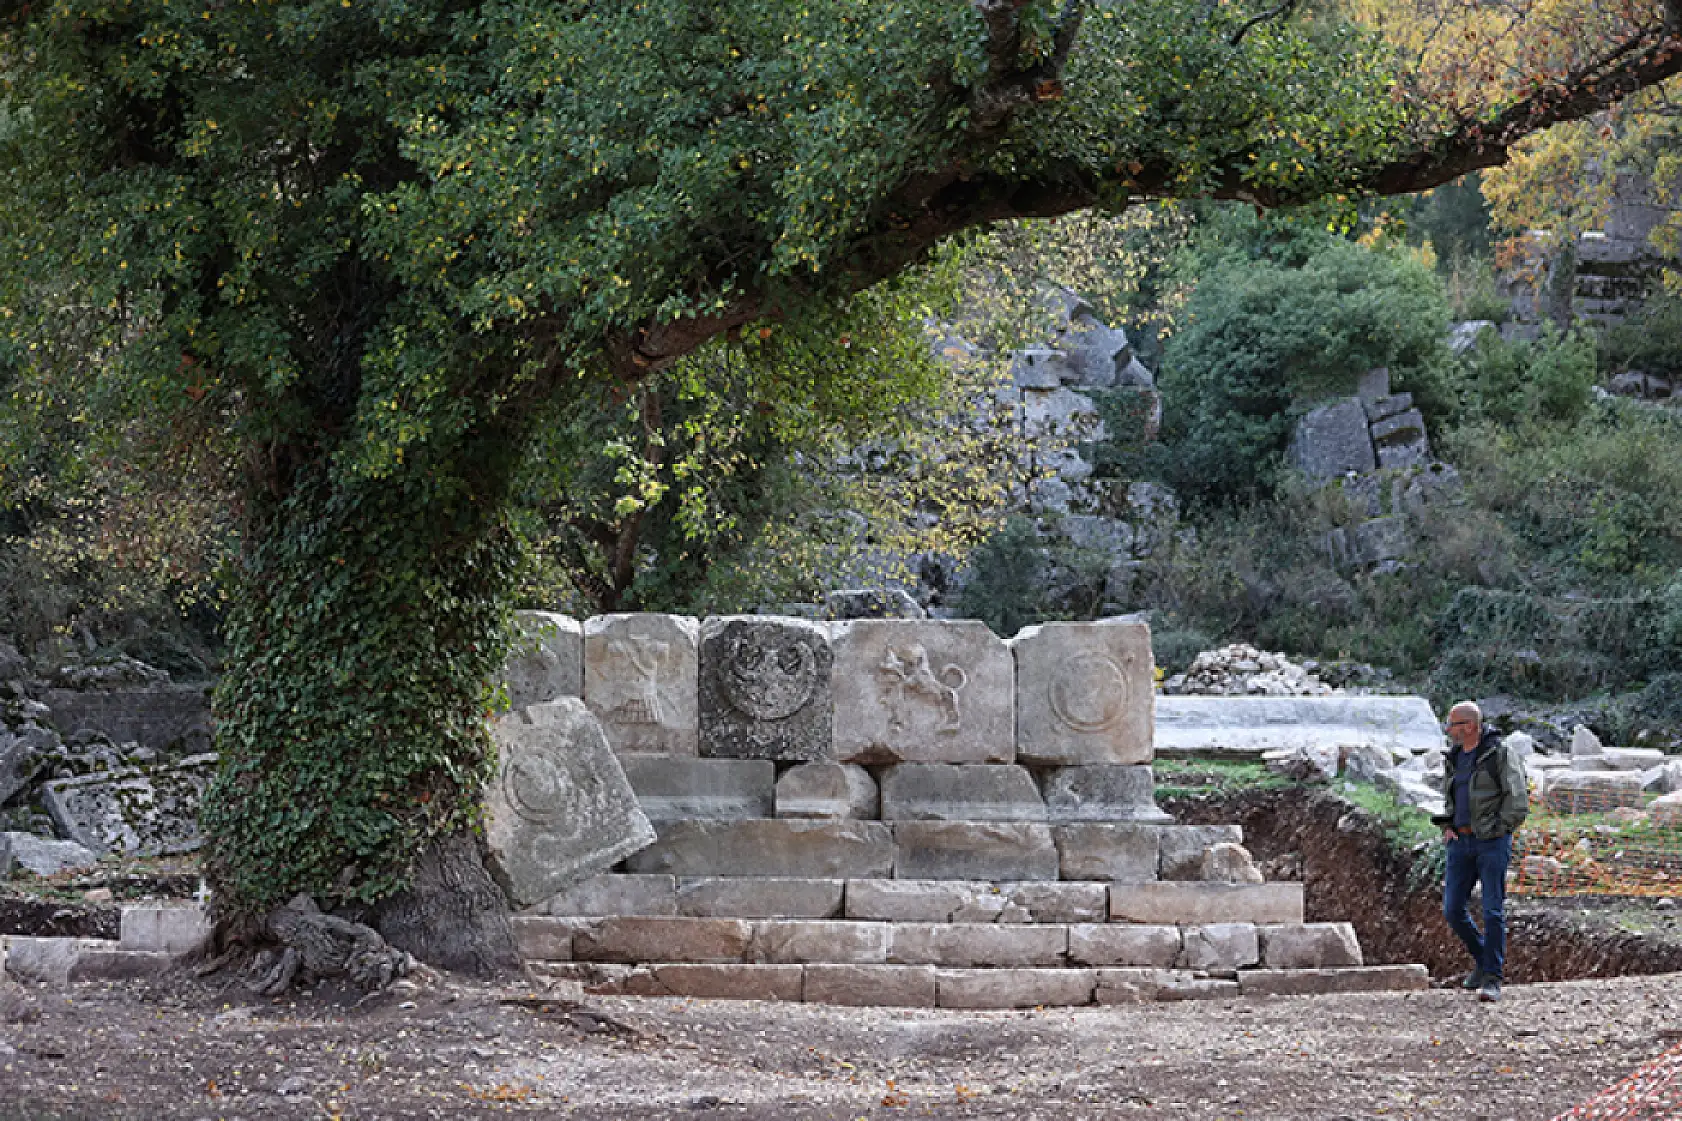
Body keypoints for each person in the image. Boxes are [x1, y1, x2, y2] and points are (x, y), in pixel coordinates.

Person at [1430, 701, 1530, 1003]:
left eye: (1453, 724)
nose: (1449, 730)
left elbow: (1518, 799)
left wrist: (1498, 830)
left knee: (1492, 911)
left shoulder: (1499, 753)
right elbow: (1453, 796)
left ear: (1470, 726)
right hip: (1459, 843)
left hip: (1491, 843)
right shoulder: (1454, 757)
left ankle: (1492, 978)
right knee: (1452, 909)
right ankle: (1484, 960)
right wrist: (1448, 825)